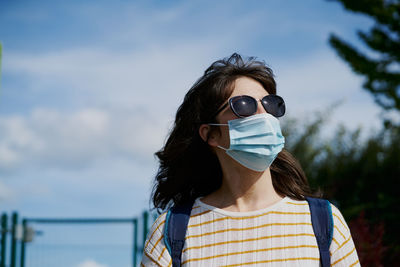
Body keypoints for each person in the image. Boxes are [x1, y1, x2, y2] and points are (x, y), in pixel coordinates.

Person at [140, 53, 360, 266]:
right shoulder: (170, 232)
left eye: (270, 103)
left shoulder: (325, 222)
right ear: (211, 134)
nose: (263, 114)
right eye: (244, 105)